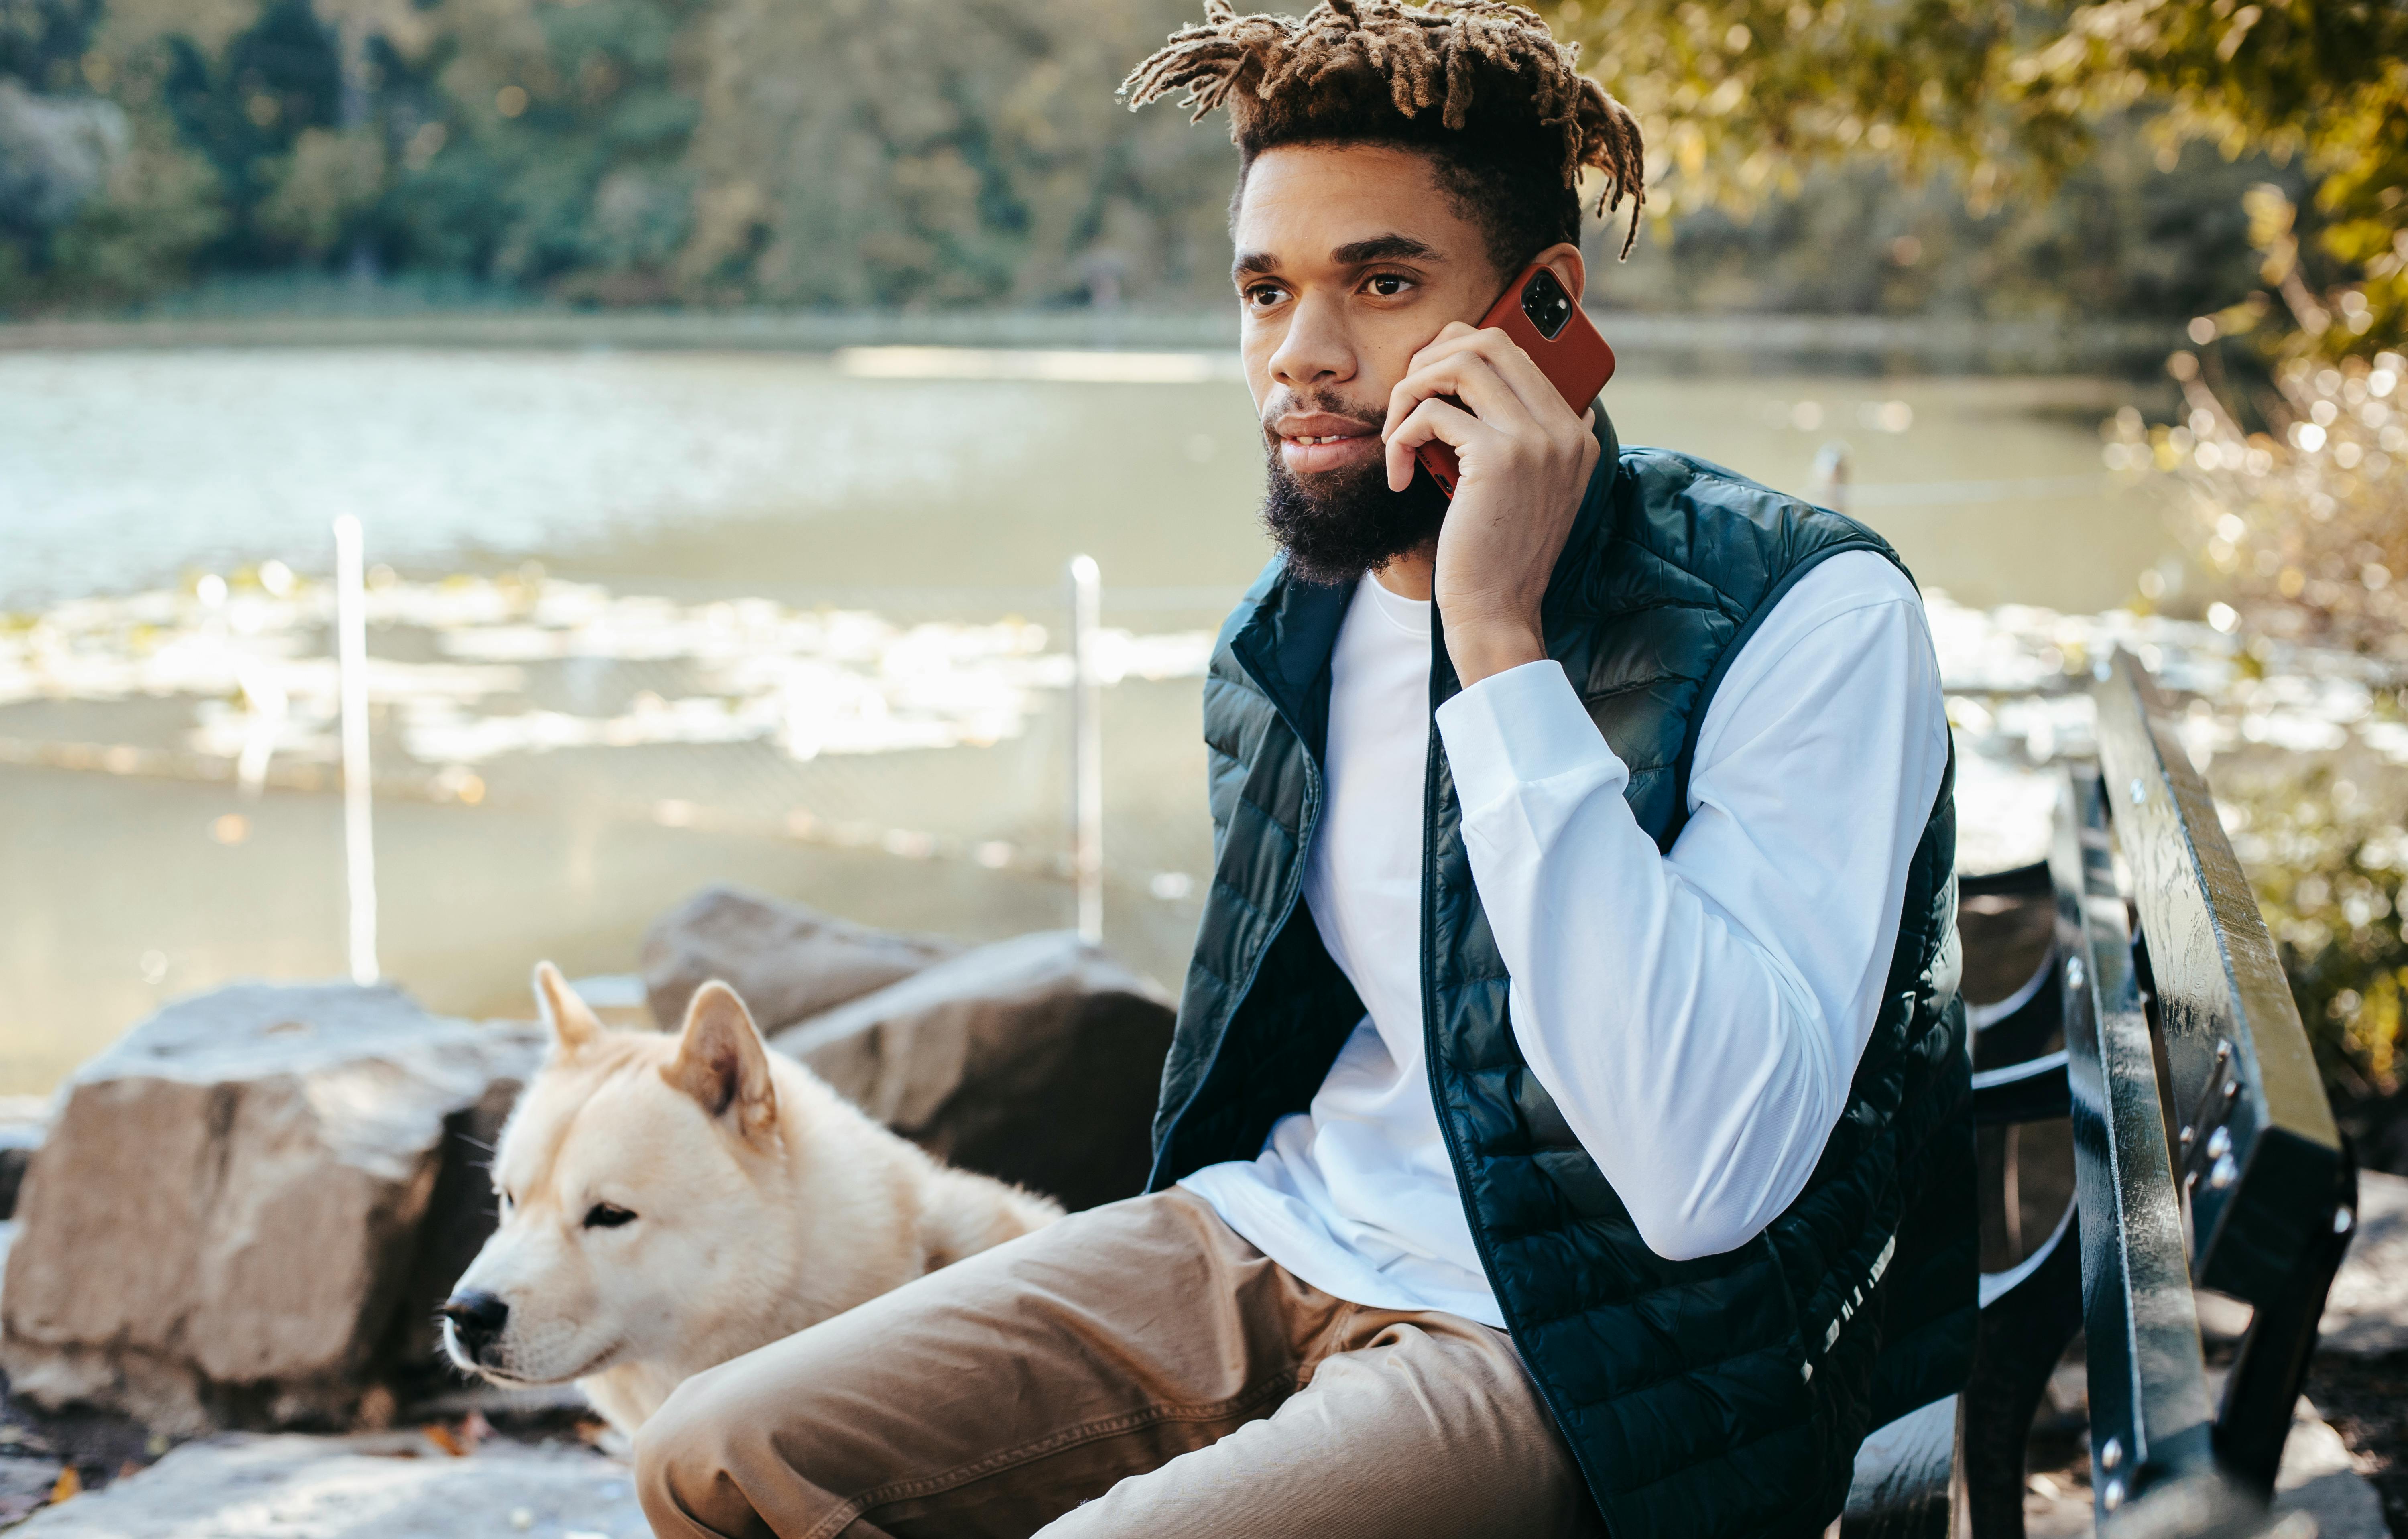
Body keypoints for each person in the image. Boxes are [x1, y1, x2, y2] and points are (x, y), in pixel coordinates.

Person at [635, 3, 1974, 1535]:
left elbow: (1700, 1180)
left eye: (1381, 284)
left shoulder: (1811, 615)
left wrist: (1499, 633)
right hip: (1278, 1233)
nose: (1301, 358)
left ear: (1545, 313)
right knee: (712, 1456)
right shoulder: (1290, 638)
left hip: (1584, 1340)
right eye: (1265, 291)